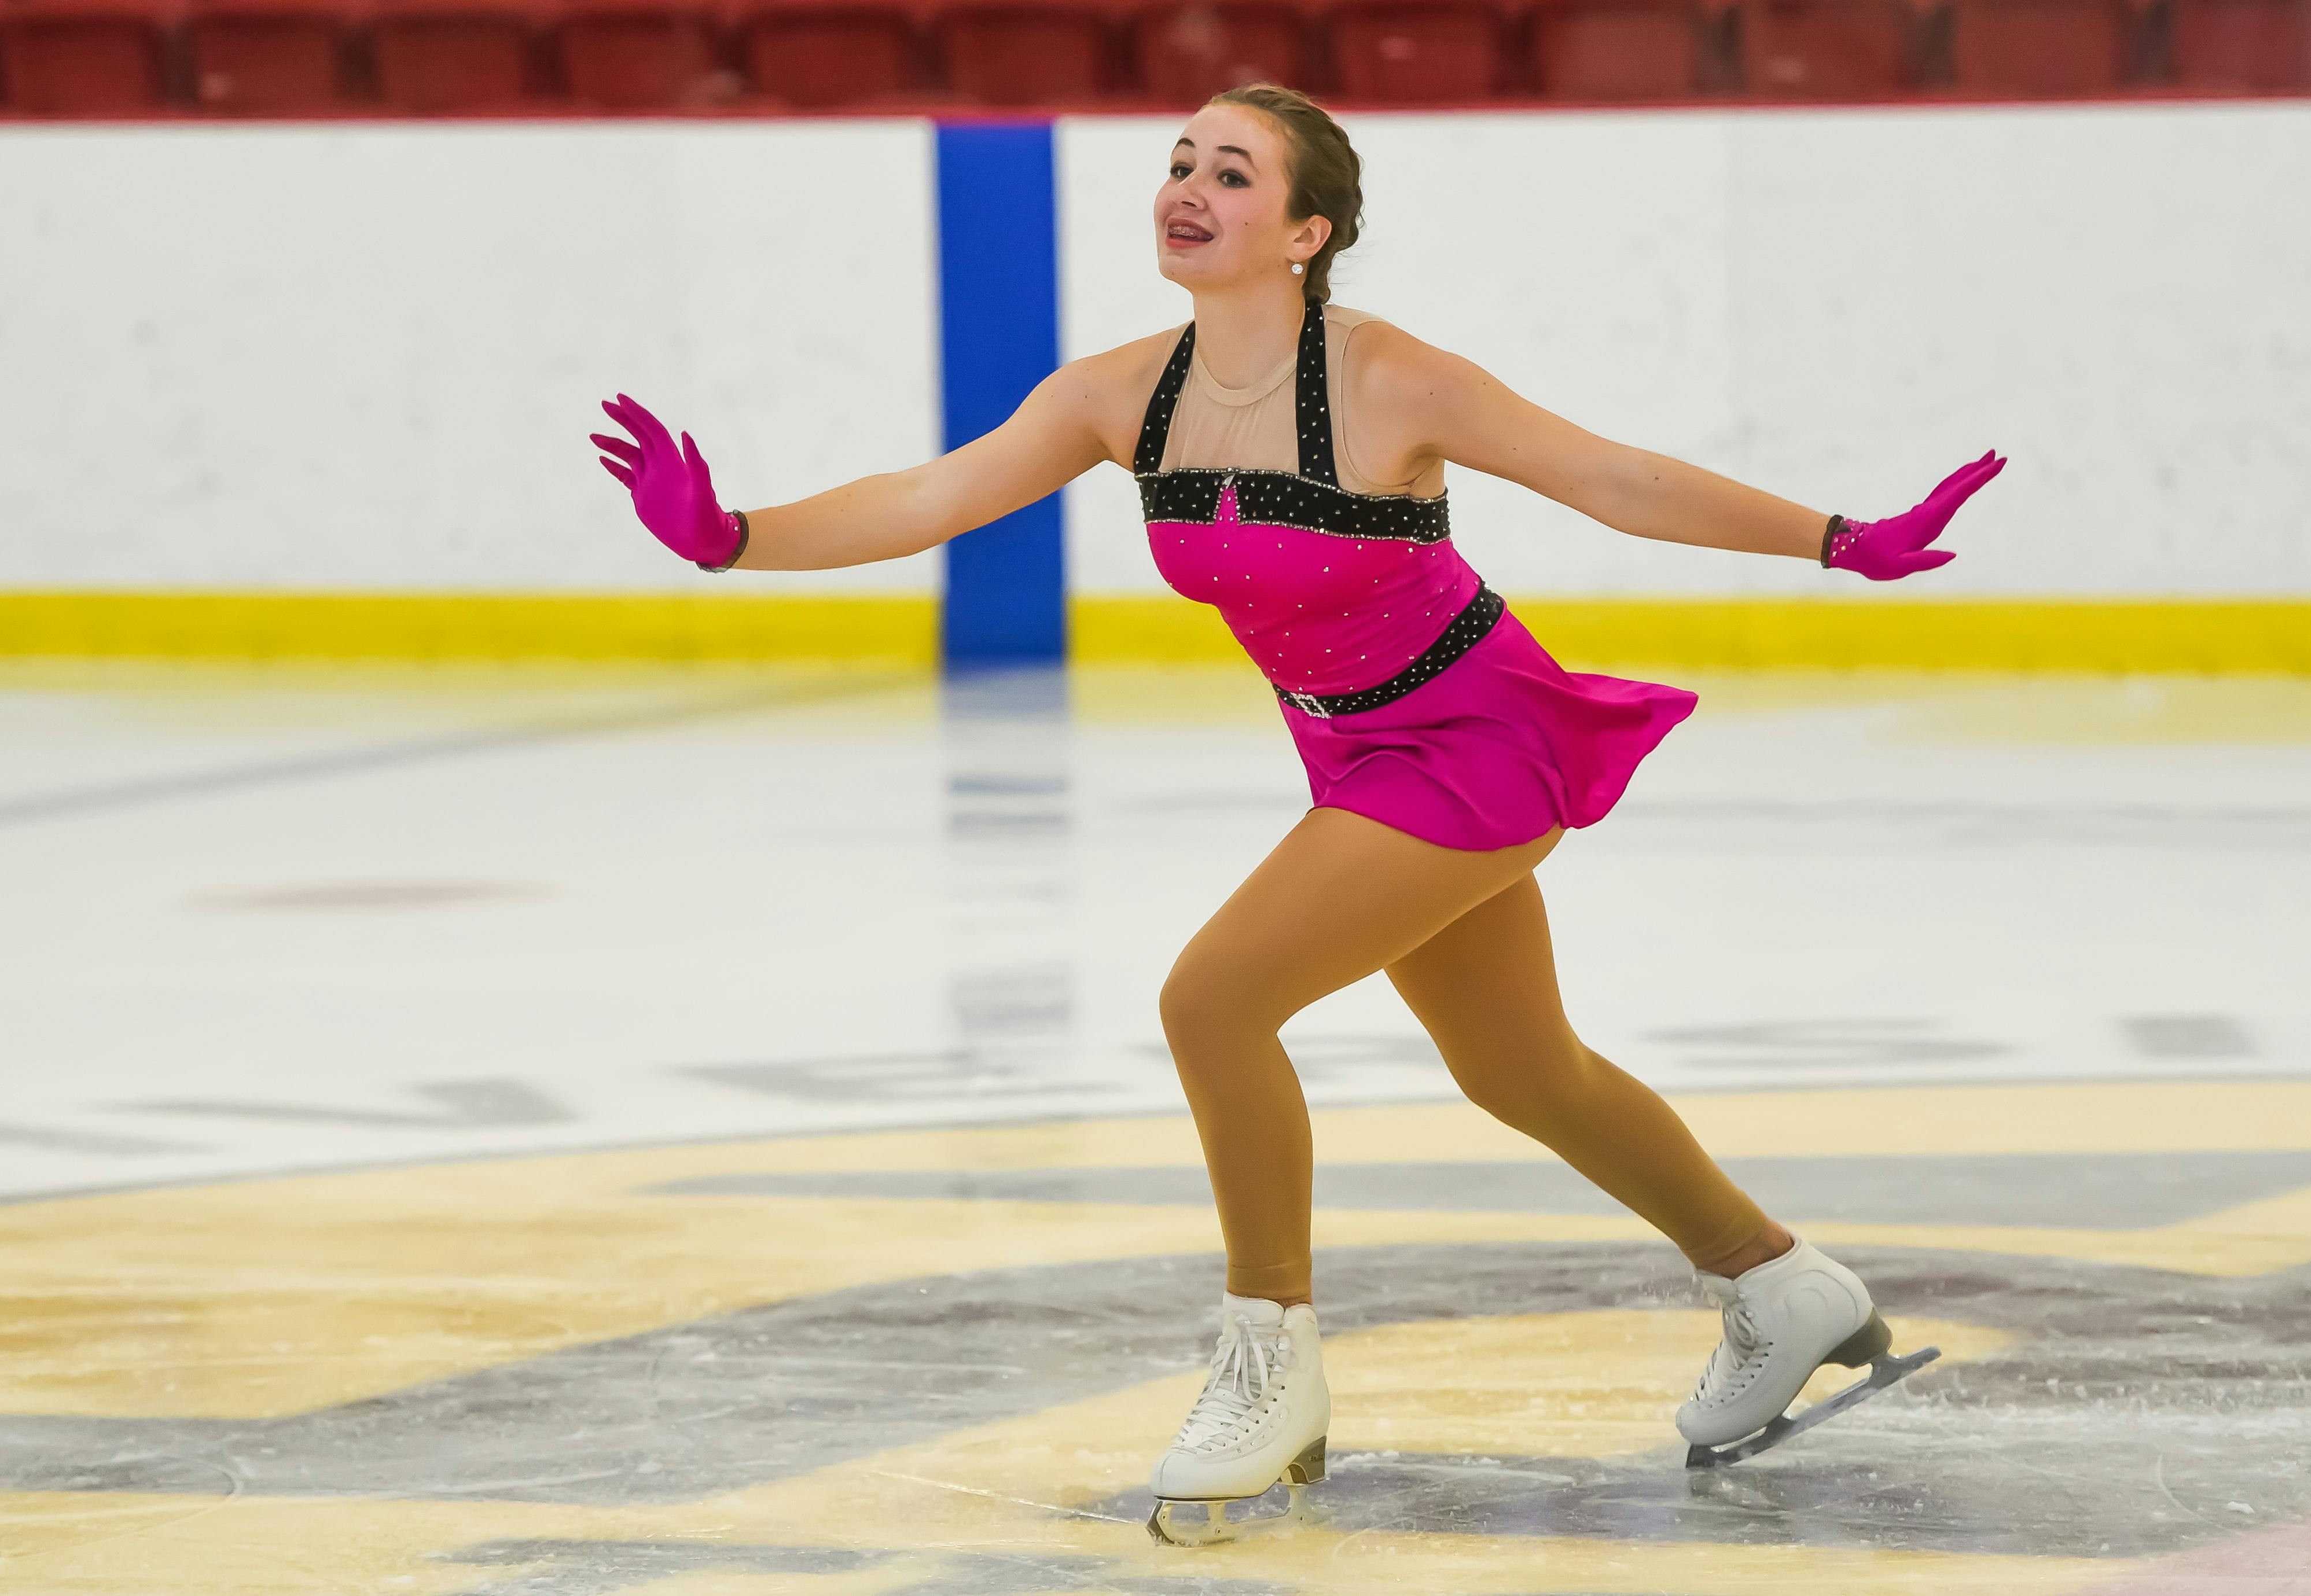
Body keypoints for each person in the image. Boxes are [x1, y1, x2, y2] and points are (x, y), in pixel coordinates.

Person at [590, 82, 2004, 1544]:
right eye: (1179, 162)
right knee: (1520, 1067)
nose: (1187, 187)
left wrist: (1834, 538)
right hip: (1352, 756)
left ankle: (1268, 1356)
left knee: (1210, 1000)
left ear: (1306, 231)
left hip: (1474, 736)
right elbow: (929, 496)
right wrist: (736, 537)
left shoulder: (1394, 378)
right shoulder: (1117, 394)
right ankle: (1772, 1281)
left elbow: (1610, 476)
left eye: (1234, 174)